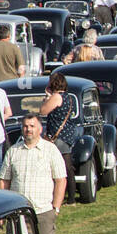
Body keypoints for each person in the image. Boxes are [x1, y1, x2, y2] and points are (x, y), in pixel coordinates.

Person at [0, 113, 67, 234]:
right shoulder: (13, 151)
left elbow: (61, 180)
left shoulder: (51, 150)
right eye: (25, 126)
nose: (28, 129)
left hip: (43, 211)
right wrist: (3, 211)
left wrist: (55, 208)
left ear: (40, 129)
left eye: (32, 126)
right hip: (17, 213)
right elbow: (4, 181)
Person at [40, 71, 78, 201]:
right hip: (66, 135)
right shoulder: (69, 97)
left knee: (59, 168)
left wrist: (47, 97)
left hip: (57, 137)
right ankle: (71, 196)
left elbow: (43, 111)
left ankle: (63, 196)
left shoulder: (56, 97)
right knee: (68, 167)